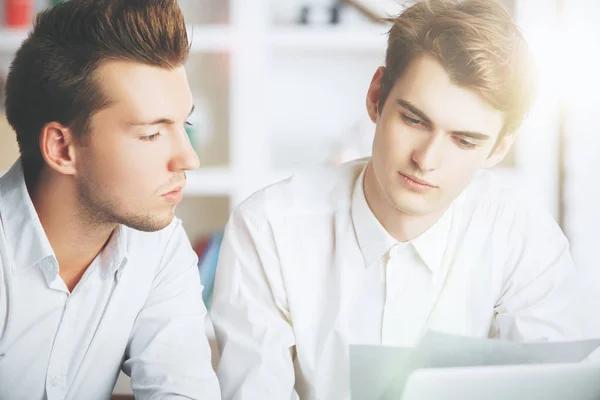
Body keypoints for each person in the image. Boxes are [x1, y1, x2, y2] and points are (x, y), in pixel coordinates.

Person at [210, 0, 582, 399]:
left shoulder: (524, 238)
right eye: (414, 119)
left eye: (463, 140)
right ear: (375, 97)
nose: (425, 160)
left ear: (497, 149)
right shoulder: (268, 229)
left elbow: (550, 390)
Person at [0, 0, 221, 398]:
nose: (189, 157)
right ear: (62, 149)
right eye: (151, 134)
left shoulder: (160, 248)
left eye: (183, 124)